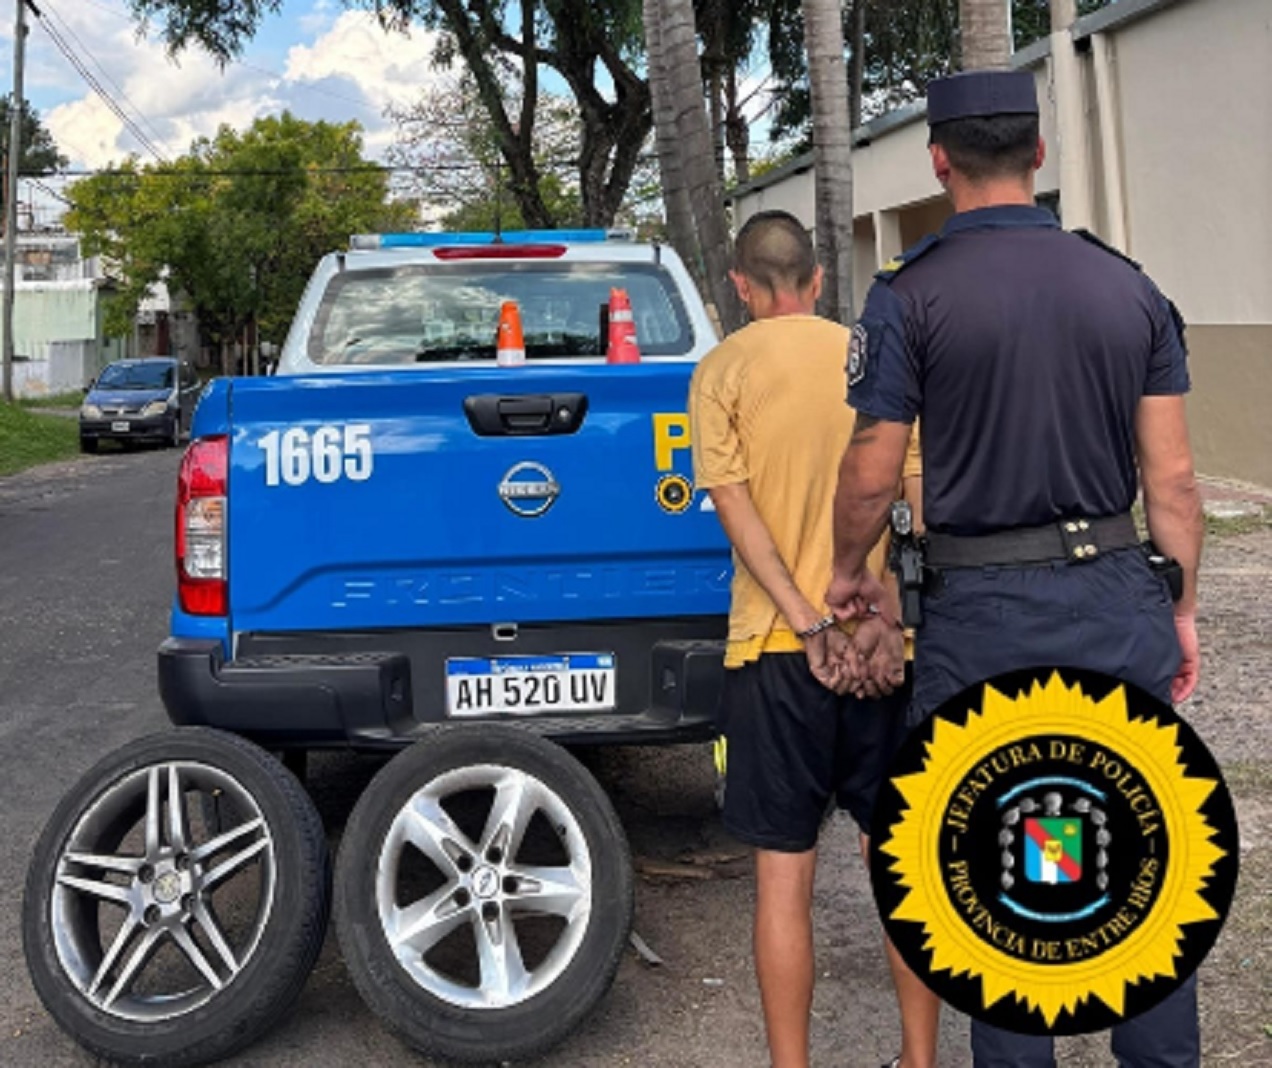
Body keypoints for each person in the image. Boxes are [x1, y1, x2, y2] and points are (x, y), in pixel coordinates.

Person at [825, 69, 1204, 1068]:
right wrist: (1181, 608)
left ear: (937, 161)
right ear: (1038, 154)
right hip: (1115, 597)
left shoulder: (909, 295)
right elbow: (1172, 481)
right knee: (1141, 845)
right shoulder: (1129, 288)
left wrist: (848, 569)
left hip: (981, 616)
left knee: (1000, 864)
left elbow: (872, 466)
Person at [689, 209, 935, 1068]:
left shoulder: (721, 371)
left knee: (784, 877)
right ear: (820, 280)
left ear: (741, 286)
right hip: (885, 655)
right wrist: (886, 617)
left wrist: (808, 620)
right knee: (902, 866)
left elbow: (737, 512)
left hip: (776, 652)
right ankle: (920, 1058)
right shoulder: (875, 354)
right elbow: (915, 499)